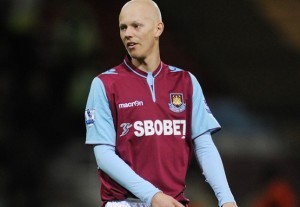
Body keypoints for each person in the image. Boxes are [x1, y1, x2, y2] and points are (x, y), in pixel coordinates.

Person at [84, 0, 237, 207]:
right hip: (124, 203)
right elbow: (104, 155)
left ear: (158, 28)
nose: (128, 33)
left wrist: (226, 199)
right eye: (123, 27)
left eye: (136, 26)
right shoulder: (105, 84)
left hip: (172, 202)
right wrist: (152, 195)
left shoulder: (186, 82)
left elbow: (204, 145)